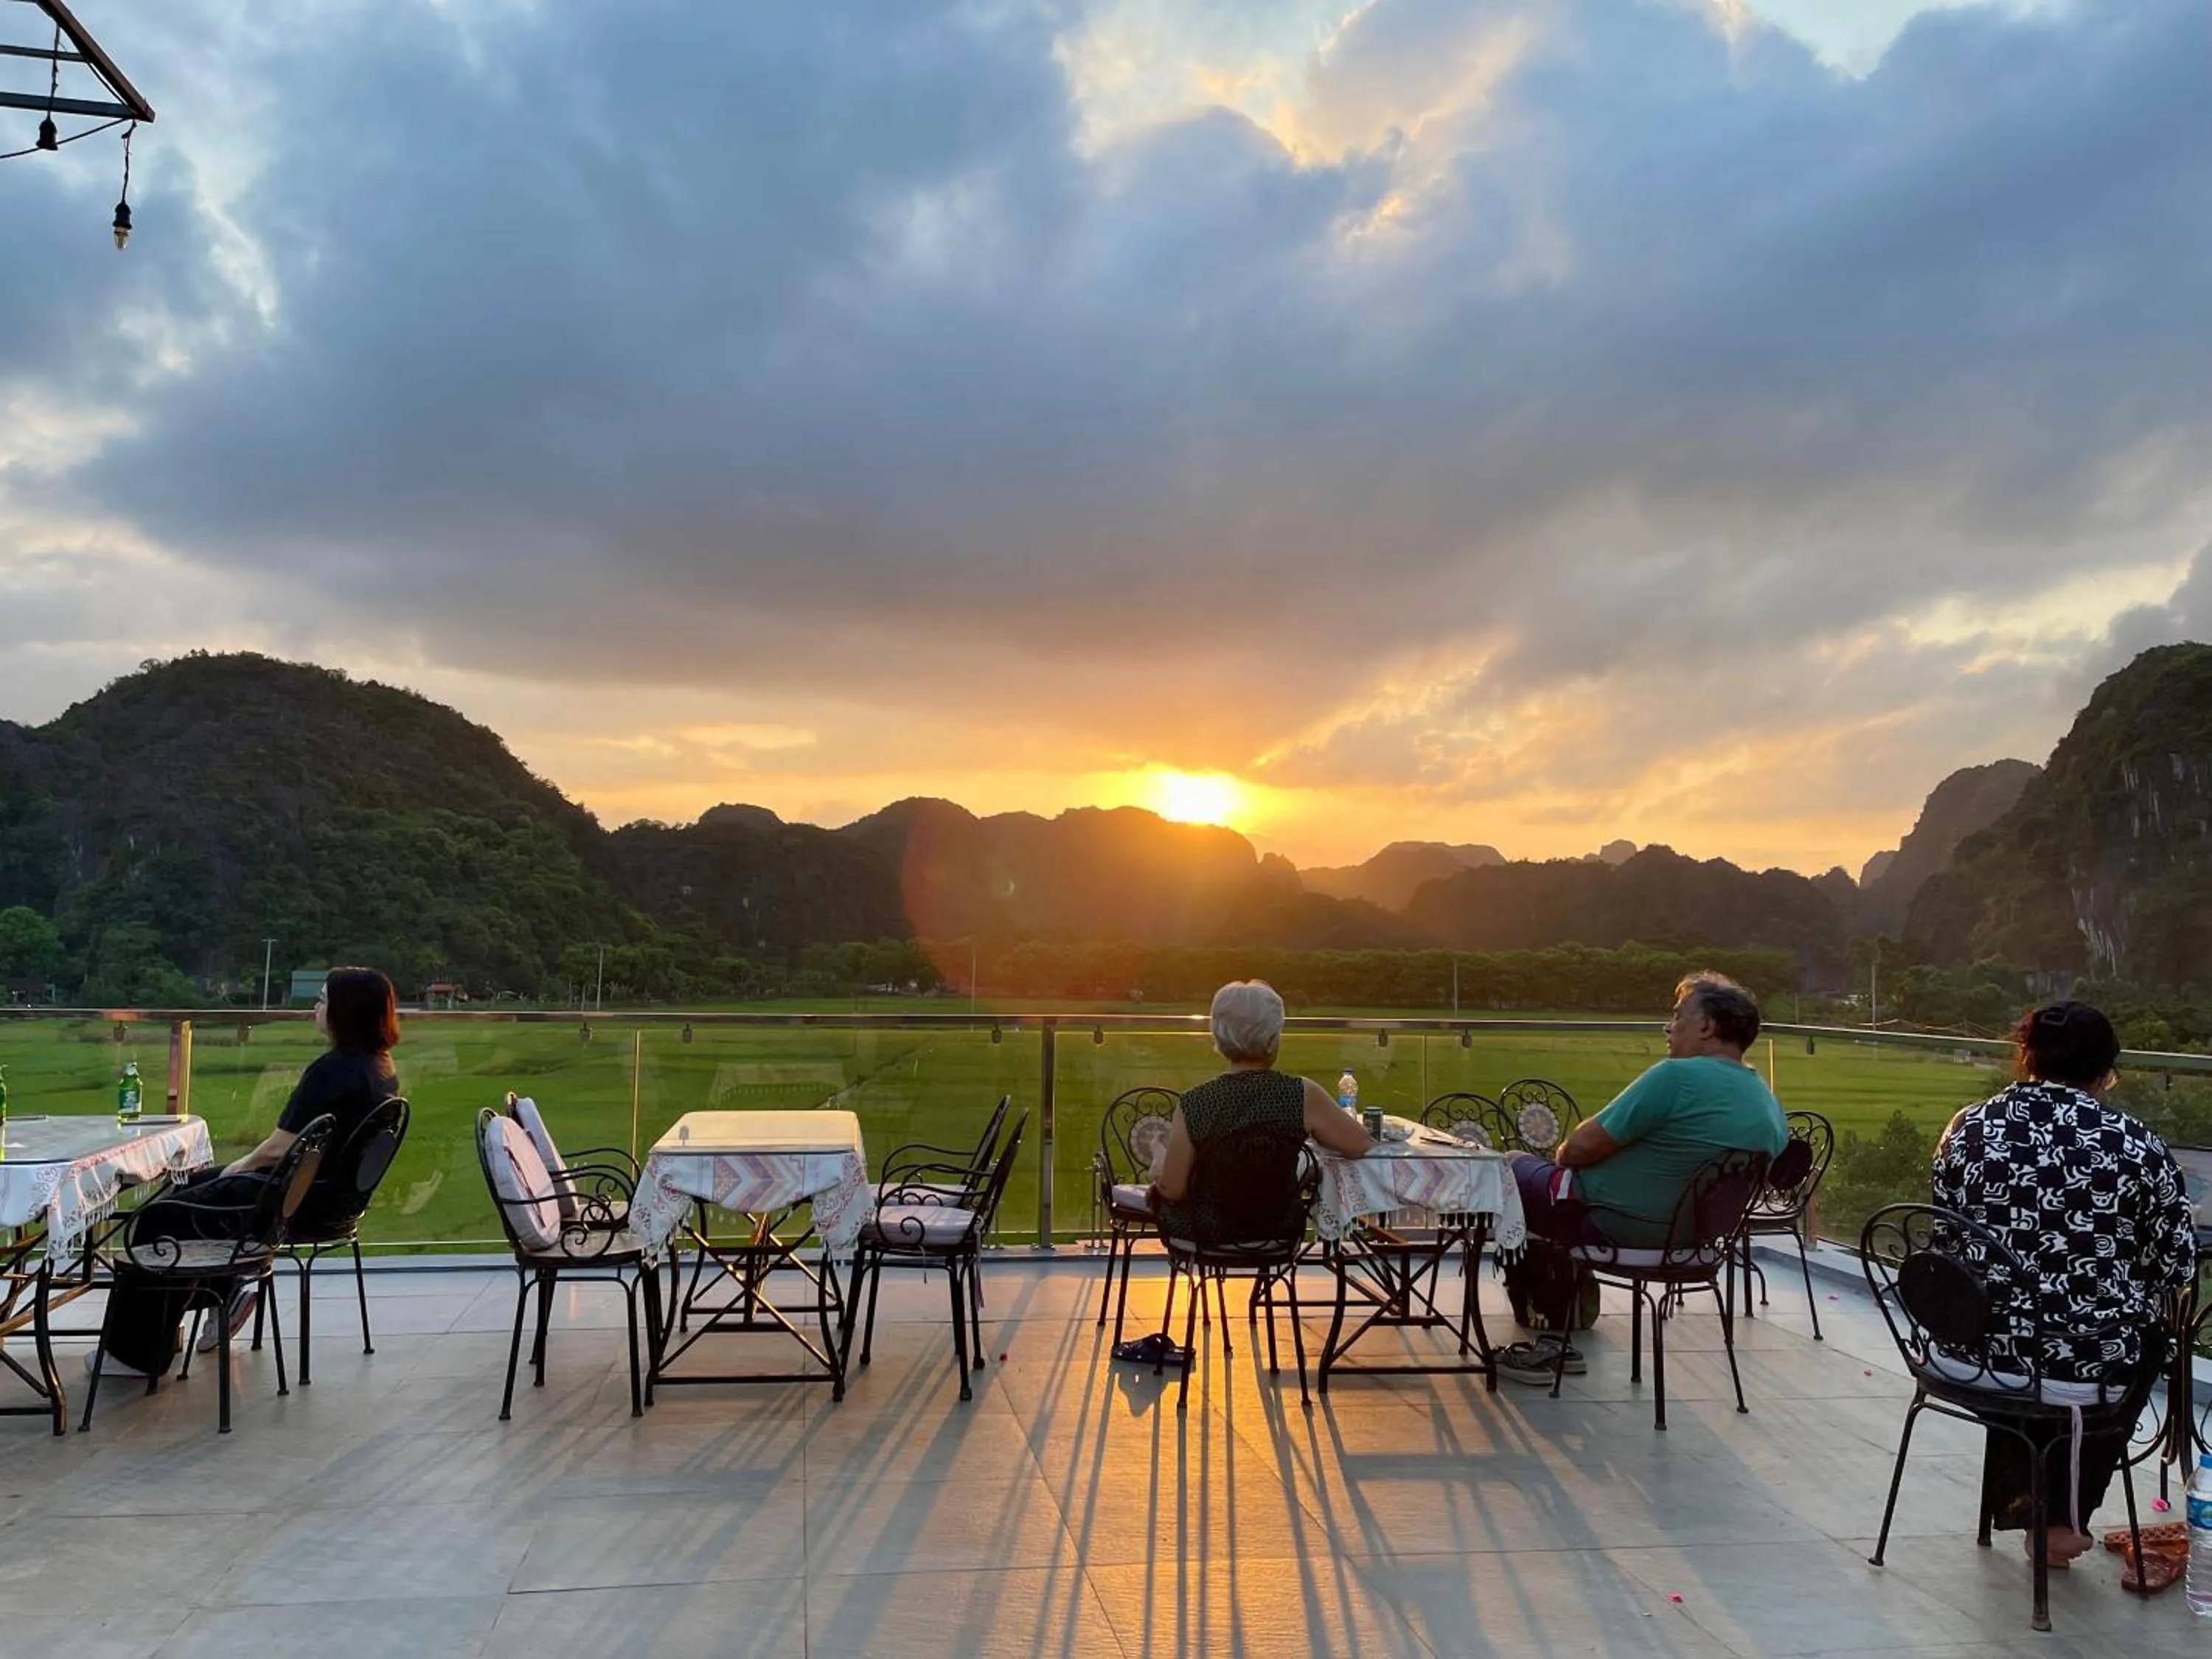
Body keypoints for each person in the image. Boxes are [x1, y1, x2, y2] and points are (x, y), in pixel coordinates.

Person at [1930, 1001, 2194, 1571]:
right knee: (2139, 1343)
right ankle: (2058, 1520)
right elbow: (2176, 1265)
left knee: (2022, 1322)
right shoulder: (2133, 1142)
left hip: (1970, 1357)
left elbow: (1945, 1237)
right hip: (2069, 1369)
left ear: (2025, 1057)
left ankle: (2022, 1498)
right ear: (2107, 1071)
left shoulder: (1966, 1126)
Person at [91, 967, 403, 1379]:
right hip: (327, 1203)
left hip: (286, 1205)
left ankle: (135, 1356)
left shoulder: (333, 1071)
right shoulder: (381, 1068)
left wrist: (238, 1167)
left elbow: (280, 1146)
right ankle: (218, 1297)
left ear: (345, 1012)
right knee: (185, 1190)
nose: (317, 1006)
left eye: (324, 999)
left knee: (158, 1217)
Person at [1495, 971, 1788, 1384]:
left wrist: (1571, 1157)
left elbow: (1576, 1150)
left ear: (1706, 1027)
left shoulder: (1676, 1078)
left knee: (1505, 1169)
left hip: (1610, 1225)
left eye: (1678, 1016)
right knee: (1533, 1190)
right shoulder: (1769, 1103)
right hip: (1695, 1246)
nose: (1669, 1028)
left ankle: (1540, 1341)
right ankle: (1559, 1321)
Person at [1113, 980, 1369, 1365]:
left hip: (1208, 1233)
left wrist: (1160, 1161)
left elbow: (1175, 1190)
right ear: (1273, 1039)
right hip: (1278, 1233)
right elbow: (1359, 1144)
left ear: (1218, 1036)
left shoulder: (1197, 1103)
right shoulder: (1302, 1095)